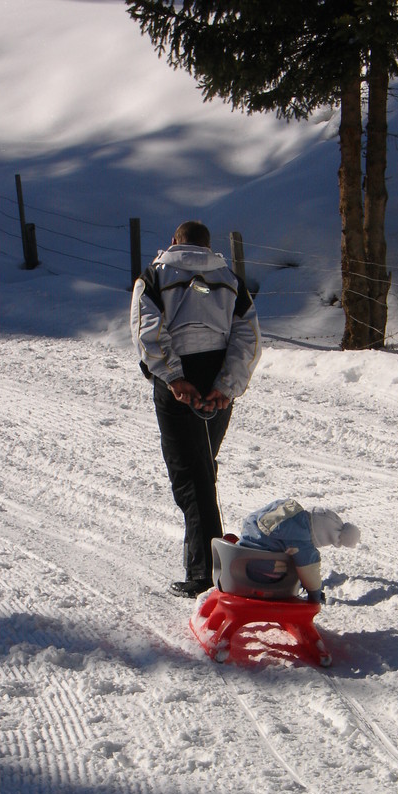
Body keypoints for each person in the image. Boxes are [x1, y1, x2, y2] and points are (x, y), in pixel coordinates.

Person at [131, 220, 261, 597]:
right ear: (207, 246)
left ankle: (208, 576)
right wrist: (227, 386)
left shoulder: (153, 277)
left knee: (190, 475)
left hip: (179, 381)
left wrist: (173, 377)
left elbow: (147, 329)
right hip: (217, 377)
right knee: (201, 469)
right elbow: (248, 336)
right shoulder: (230, 279)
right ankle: (207, 564)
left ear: (173, 242)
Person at [237, 498, 360, 602]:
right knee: (297, 567)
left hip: (236, 561)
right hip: (258, 577)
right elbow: (310, 573)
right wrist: (314, 595)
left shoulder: (285, 512)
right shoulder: (302, 541)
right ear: (318, 537)